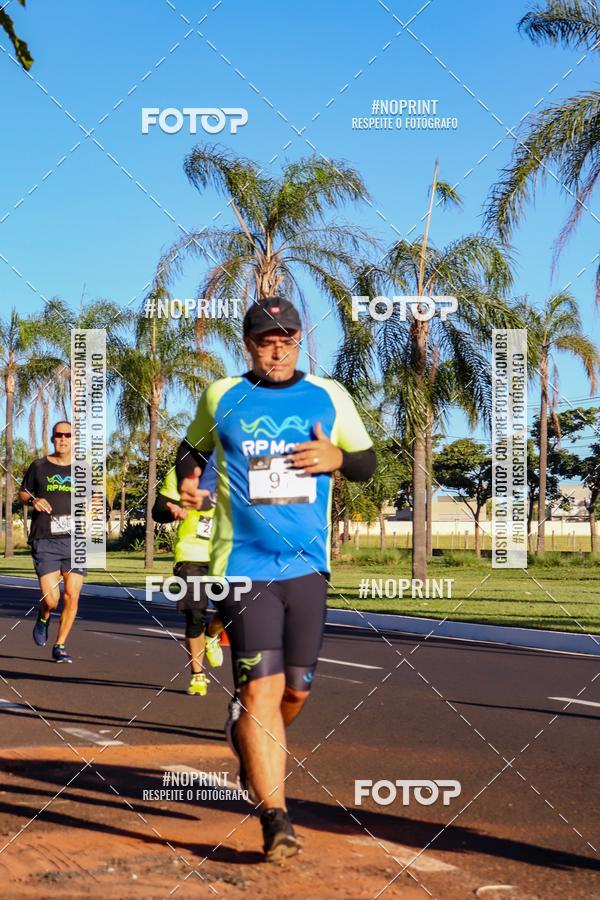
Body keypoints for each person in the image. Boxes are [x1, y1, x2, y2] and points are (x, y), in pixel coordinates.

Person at [175, 297, 376, 862]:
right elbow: (190, 449)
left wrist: (336, 457)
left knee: (295, 691)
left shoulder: (330, 395)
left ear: (300, 340)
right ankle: (275, 818)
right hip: (242, 566)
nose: (279, 347)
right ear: (249, 344)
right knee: (261, 689)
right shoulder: (222, 396)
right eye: (267, 339)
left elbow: (366, 463)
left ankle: (246, 732)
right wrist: (190, 480)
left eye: (288, 337)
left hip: (309, 568)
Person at [152, 456, 224, 695]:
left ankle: (212, 635)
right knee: (195, 613)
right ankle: (198, 674)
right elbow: (158, 510)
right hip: (192, 551)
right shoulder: (183, 471)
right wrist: (173, 511)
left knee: (232, 610)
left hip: (230, 552)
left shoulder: (240, 464)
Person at [19, 421, 86, 664]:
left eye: (68, 435)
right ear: (52, 438)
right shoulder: (39, 466)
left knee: (72, 595)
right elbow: (24, 493)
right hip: (45, 538)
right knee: (52, 599)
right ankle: (44, 614)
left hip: (75, 540)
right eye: (59, 435)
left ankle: (60, 645)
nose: (63, 439)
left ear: (73, 440)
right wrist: (33, 501)